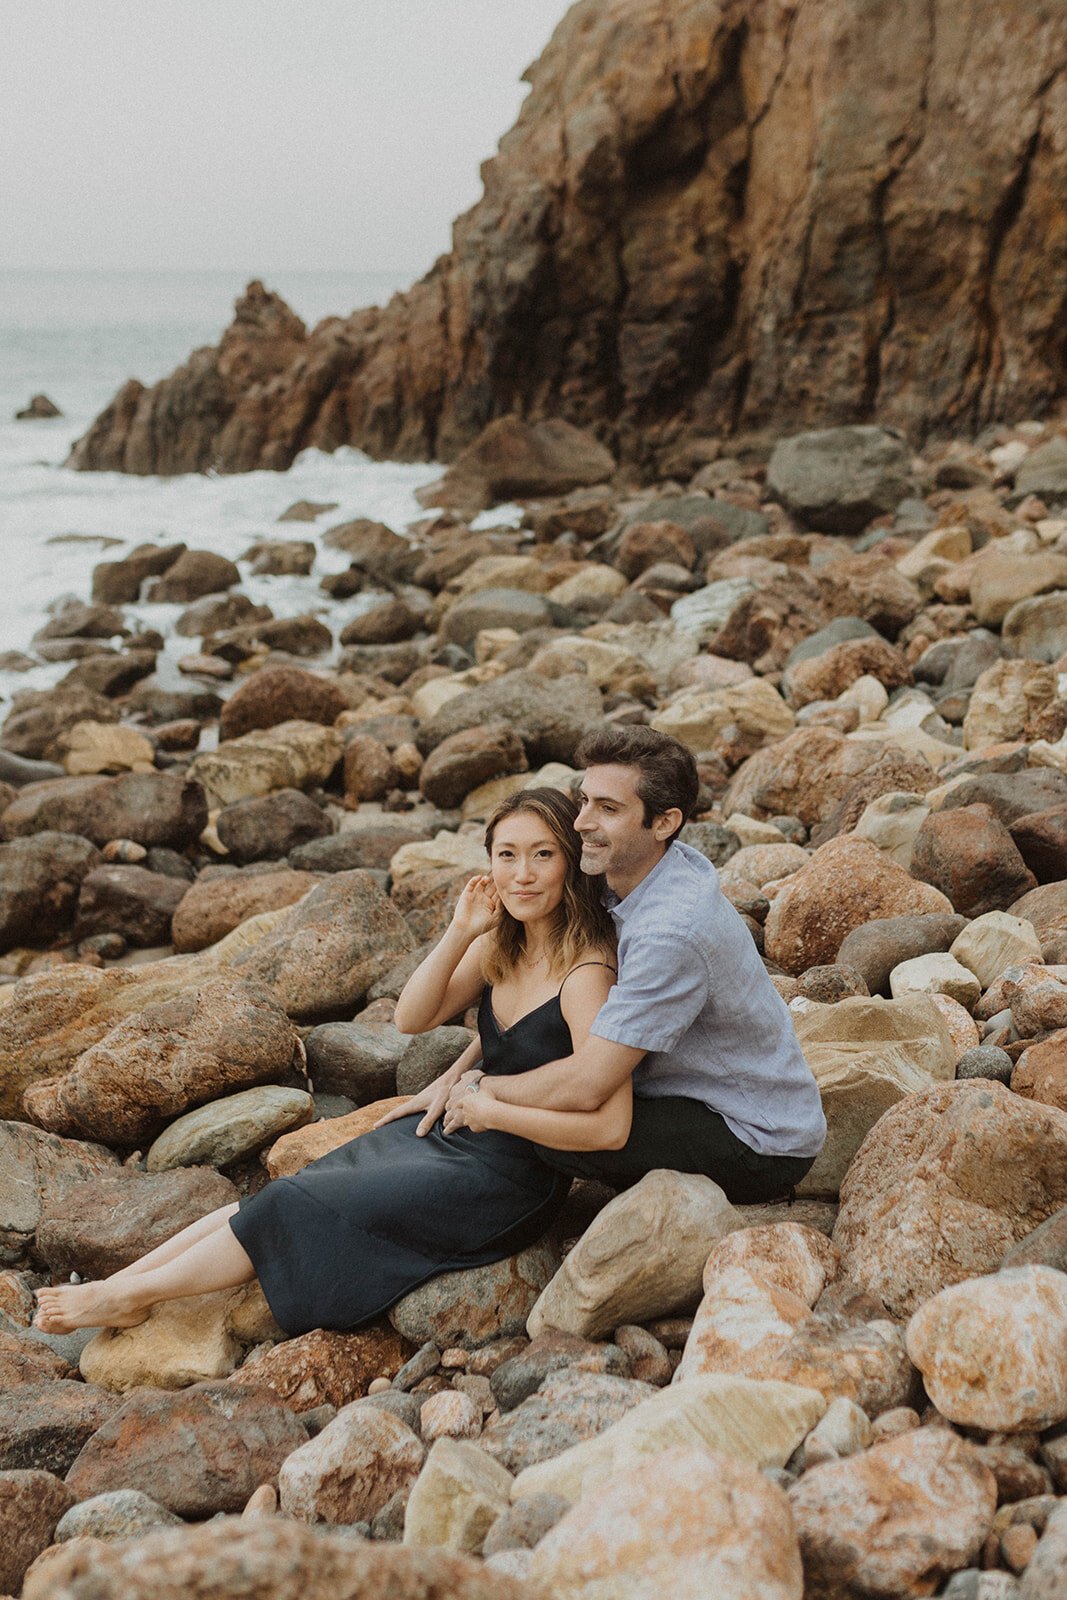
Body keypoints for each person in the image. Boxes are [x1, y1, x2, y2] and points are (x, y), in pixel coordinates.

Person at [33, 789, 620, 1337]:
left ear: (570, 862)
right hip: (458, 1130)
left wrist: (487, 1102)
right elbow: (412, 1019)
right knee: (295, 1186)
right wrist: (460, 930)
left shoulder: (586, 972)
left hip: (510, 1175)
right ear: (487, 863)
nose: (522, 874)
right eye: (507, 855)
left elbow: (598, 1106)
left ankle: (139, 1296)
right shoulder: (503, 944)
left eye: (543, 855)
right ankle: (122, 1285)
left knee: (297, 1206)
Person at [445, 725, 826, 1203]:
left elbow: (587, 1084)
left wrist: (486, 1091)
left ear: (664, 822)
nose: (582, 822)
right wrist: (456, 1073)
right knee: (551, 1083)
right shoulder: (630, 869)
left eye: (608, 809)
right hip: (701, 1091)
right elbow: (536, 994)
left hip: (754, 1135)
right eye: (584, 801)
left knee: (561, 1137)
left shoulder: (670, 932)